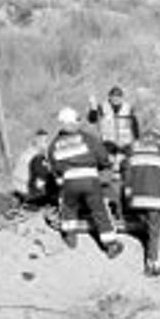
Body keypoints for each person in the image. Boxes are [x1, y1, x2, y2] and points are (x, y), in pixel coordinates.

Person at [47, 107, 123, 258]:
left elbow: (54, 165)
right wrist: (105, 166)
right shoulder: (87, 138)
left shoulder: (54, 144)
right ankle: (110, 245)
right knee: (99, 210)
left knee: (68, 208)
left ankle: (70, 237)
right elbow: (102, 156)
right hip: (90, 179)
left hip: (68, 181)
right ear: (72, 122)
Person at [121, 128, 160, 276]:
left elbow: (126, 173)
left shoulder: (133, 151)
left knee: (151, 226)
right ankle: (154, 264)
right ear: (157, 139)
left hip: (137, 199)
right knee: (156, 230)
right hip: (155, 198)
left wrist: (128, 190)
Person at [87, 86, 140, 217]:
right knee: (107, 176)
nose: (116, 99)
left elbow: (135, 126)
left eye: (118, 97)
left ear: (122, 98)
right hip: (108, 146)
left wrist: (136, 142)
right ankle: (110, 203)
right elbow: (92, 119)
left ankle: (127, 205)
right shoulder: (103, 107)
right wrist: (93, 107)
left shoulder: (128, 108)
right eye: (113, 97)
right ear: (109, 97)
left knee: (127, 176)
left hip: (125, 147)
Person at [12, 129, 58, 208]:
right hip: (29, 194)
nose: (47, 145)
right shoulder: (37, 157)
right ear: (38, 142)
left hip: (18, 188)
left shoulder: (26, 153)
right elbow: (45, 175)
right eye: (45, 142)